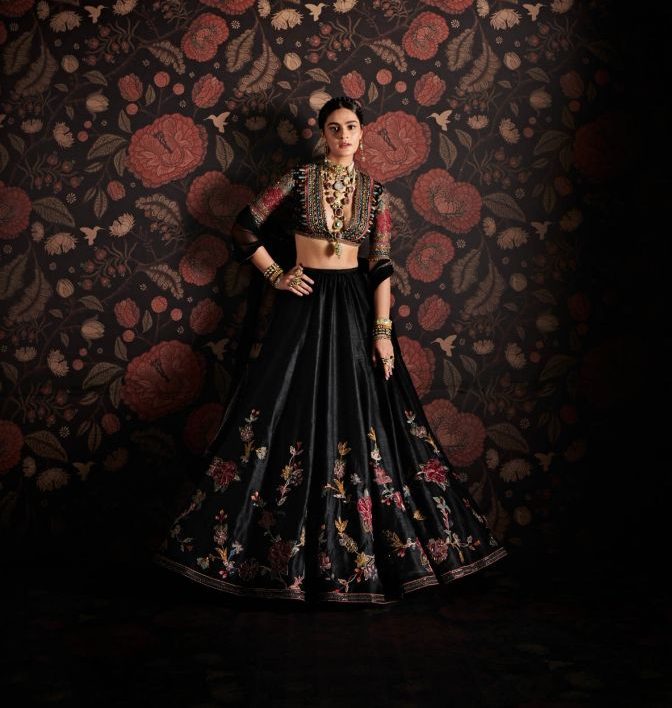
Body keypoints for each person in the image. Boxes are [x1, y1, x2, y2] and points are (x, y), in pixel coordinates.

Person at [153, 96, 507, 605]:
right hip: (303, 303)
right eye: (335, 127)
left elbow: (380, 264)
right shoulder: (298, 181)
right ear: (323, 133)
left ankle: (368, 555)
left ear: (363, 134)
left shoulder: (376, 193)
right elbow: (245, 227)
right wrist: (277, 275)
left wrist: (382, 332)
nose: (343, 135)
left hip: (355, 307)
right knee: (284, 409)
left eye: (352, 127)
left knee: (363, 414)